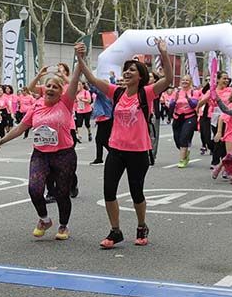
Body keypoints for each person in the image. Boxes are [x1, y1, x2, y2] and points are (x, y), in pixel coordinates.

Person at [74, 39, 173, 249]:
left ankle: (141, 225)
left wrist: (163, 53)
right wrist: (80, 57)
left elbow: (168, 80)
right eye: (126, 69)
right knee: (108, 191)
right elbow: (91, 78)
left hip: (138, 152)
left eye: (133, 70)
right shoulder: (116, 92)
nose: (127, 72)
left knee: (137, 192)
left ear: (140, 76)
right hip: (116, 150)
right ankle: (115, 230)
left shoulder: (146, 93)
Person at [0, 69, 80, 240]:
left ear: (62, 92)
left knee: (62, 193)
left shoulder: (66, 103)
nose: (51, 89)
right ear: (43, 88)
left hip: (63, 155)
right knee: (34, 189)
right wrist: (0, 141)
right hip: (40, 154)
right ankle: (44, 219)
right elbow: (20, 128)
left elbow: (75, 82)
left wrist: (80, 60)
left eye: (55, 87)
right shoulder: (36, 106)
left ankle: (63, 225)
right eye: (48, 86)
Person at [169, 76, 200, 168]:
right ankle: (185, 151)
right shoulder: (177, 92)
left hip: (189, 117)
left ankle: (182, 160)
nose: (185, 82)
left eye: (187, 80)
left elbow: (194, 105)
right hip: (178, 117)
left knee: (184, 137)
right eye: (183, 80)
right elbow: (171, 105)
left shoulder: (194, 92)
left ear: (190, 82)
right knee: (177, 139)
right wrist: (174, 101)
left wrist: (188, 99)